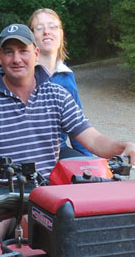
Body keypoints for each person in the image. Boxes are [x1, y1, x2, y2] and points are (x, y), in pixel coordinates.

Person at [0, 24, 135, 236]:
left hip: (45, 191)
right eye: (9, 52)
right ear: (0, 57)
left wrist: (125, 146)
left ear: (36, 53)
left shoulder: (57, 95)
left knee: (52, 231)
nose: (17, 59)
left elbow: (94, 140)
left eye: (23, 51)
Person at [28, 8, 93, 157]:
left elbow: (77, 125)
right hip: (26, 151)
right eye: (39, 28)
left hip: (57, 150)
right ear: (31, 36)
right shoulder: (22, 73)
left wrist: (89, 162)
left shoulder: (66, 76)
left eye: (52, 27)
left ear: (61, 33)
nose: (46, 32)